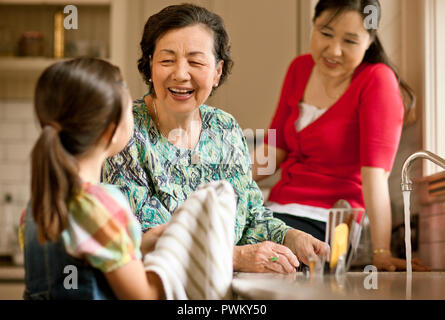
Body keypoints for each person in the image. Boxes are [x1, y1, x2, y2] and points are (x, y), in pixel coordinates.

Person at [102, 3, 329, 274]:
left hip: (226, 288)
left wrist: (291, 237)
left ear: (217, 72)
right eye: (167, 60)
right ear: (150, 65)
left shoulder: (224, 128)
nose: (181, 74)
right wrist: (233, 257)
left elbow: (252, 216)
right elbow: (142, 238)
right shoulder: (127, 129)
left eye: (196, 62)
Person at [20, 57, 237, 300]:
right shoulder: (98, 206)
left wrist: (144, 243)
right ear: (110, 132)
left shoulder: (38, 205)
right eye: (128, 110)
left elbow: (91, 256)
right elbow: (146, 296)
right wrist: (177, 250)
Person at [251, 0, 430, 272]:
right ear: (314, 26)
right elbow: (274, 150)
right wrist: (220, 181)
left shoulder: (376, 80)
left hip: (330, 221)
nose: (334, 50)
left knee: (264, 258)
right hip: (276, 212)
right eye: (325, 33)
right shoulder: (299, 69)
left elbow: (375, 177)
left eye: (349, 40)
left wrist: (381, 253)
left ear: (370, 41)